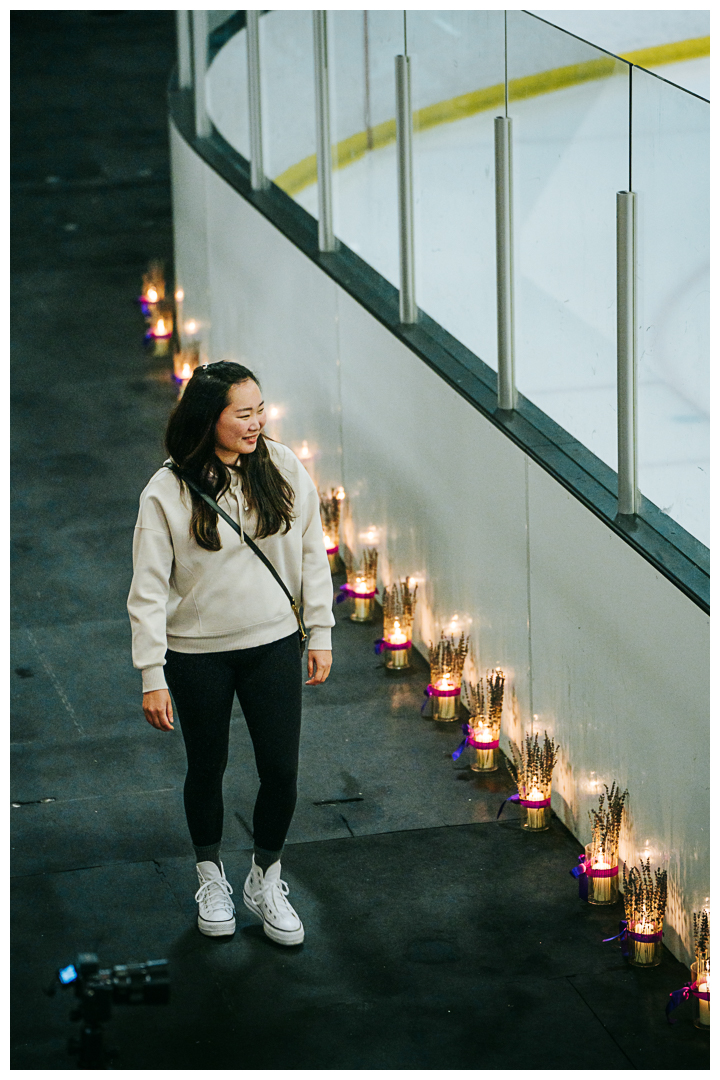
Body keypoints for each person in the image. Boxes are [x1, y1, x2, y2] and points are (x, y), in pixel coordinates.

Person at [127, 361, 334, 945]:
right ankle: (210, 875)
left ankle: (265, 876)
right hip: (196, 654)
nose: (256, 422)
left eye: (260, 410)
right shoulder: (164, 492)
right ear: (207, 416)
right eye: (242, 413)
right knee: (207, 767)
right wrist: (151, 673)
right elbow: (145, 591)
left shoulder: (284, 466)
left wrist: (319, 631)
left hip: (271, 643)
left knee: (282, 773)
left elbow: (313, 551)